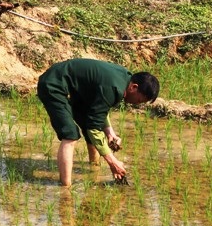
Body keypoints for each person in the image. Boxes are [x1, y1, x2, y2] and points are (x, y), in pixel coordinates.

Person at [36, 58, 159, 186]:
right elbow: (94, 127)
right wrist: (112, 162)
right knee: (70, 134)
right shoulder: (114, 88)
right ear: (134, 87)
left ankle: (94, 169)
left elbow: (99, 110)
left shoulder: (125, 78)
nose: (136, 104)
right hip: (53, 85)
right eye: (139, 100)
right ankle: (66, 187)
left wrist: (110, 133)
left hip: (73, 88)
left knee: (89, 128)